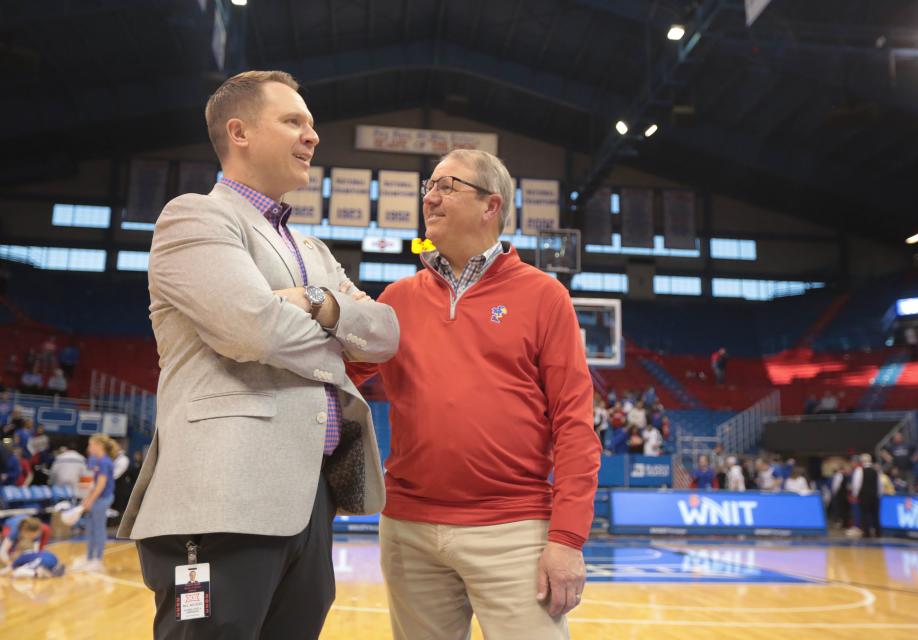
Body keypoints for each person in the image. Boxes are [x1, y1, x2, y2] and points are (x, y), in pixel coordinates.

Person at [118, 70, 399, 638]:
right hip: (222, 498)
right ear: (239, 132)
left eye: (312, 124)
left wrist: (313, 299)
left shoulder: (314, 250)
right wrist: (337, 339)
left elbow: (387, 332)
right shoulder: (193, 216)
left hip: (309, 500)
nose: (312, 136)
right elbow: (254, 331)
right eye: (294, 121)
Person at [348, 149, 601, 639]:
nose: (431, 197)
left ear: (491, 205)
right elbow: (336, 376)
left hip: (514, 530)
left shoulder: (545, 297)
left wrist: (567, 538)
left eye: (448, 186)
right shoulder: (396, 299)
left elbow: (574, 425)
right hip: (410, 530)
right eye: (429, 186)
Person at [73, 434, 115, 573]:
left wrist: (90, 500)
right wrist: (87, 499)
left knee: (98, 528)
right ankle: (90, 558)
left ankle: (98, 560)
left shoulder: (104, 462)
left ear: (99, 446)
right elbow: (94, 484)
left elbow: (101, 485)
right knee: (90, 528)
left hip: (103, 499)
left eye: (91, 444)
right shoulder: (98, 461)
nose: (89, 448)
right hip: (96, 498)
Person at [851, 453, 882, 537]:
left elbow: (857, 484)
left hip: (864, 495)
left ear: (862, 461)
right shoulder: (876, 470)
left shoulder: (859, 470)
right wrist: (878, 494)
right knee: (875, 514)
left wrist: (855, 495)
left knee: (864, 514)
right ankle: (878, 532)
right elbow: (879, 484)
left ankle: (867, 532)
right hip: (875, 496)